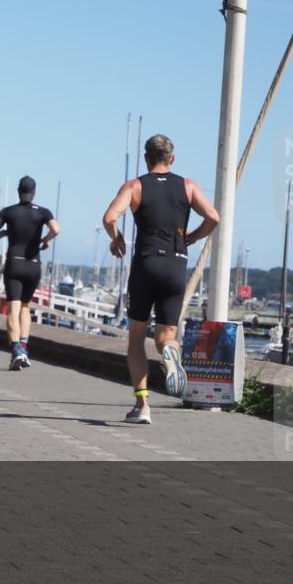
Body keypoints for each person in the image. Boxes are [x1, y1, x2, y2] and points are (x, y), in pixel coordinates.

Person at [102, 134, 220, 425]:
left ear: (146, 158)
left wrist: (116, 238)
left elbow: (109, 217)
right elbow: (214, 217)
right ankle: (170, 352)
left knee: (137, 337)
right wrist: (190, 238)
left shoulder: (135, 186)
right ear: (172, 159)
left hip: (146, 264)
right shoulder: (188, 186)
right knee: (167, 336)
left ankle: (142, 405)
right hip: (175, 266)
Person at [0, 176, 60, 370]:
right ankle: (24, 347)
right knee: (26, 307)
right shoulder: (43, 212)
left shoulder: (8, 212)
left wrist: (5, 233)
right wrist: (45, 240)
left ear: (19, 191)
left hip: (15, 264)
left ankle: (16, 350)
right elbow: (56, 229)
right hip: (33, 265)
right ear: (34, 192)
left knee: (14, 308)